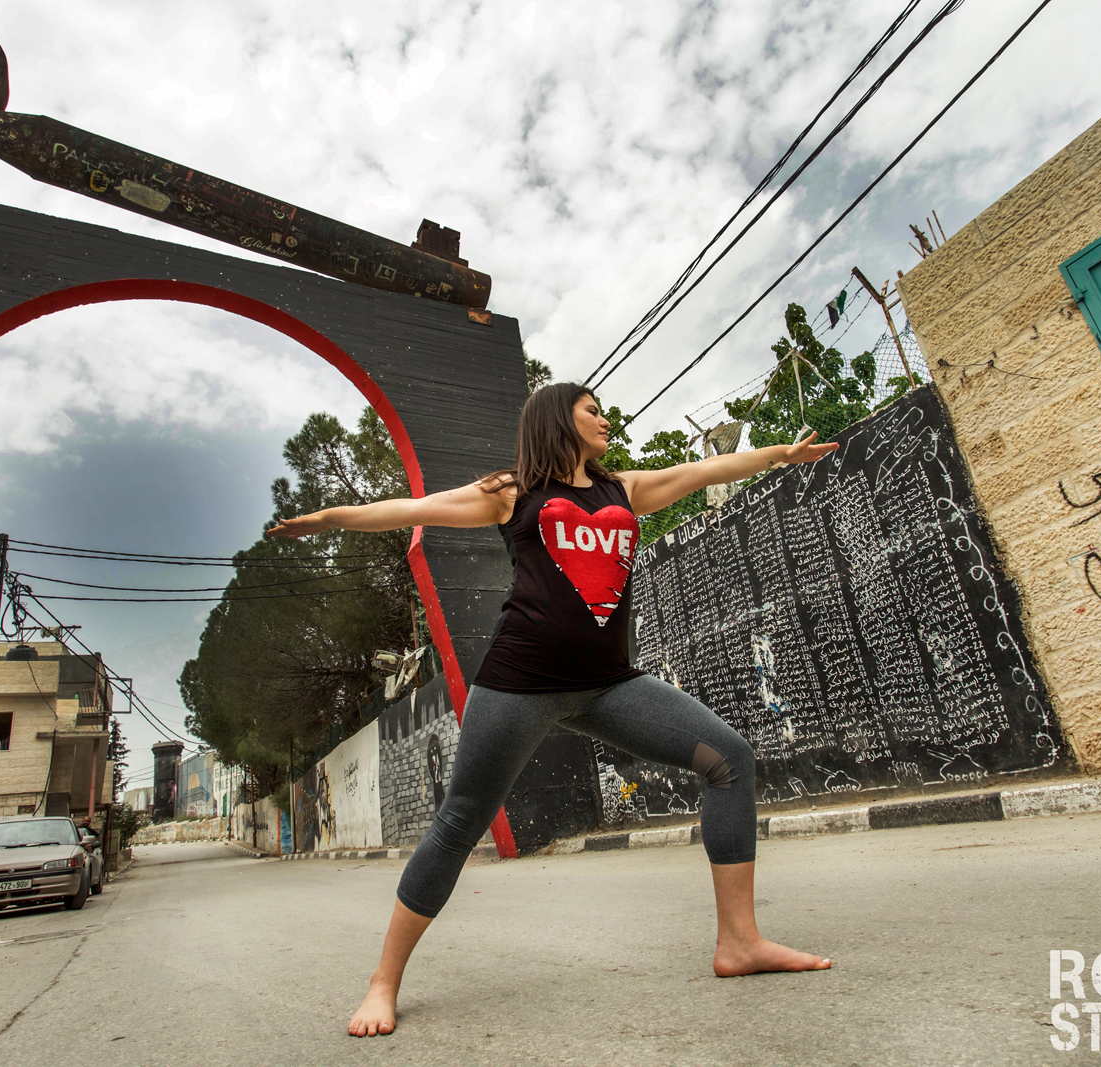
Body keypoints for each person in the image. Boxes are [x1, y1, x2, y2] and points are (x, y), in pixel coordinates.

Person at [267, 383, 840, 1038]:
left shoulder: (621, 490)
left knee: (728, 758)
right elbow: (417, 507)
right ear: (555, 419)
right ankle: (382, 982)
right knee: (459, 821)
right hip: (520, 684)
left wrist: (774, 454)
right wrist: (334, 517)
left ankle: (739, 942)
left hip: (607, 685)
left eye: (602, 410)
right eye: (590, 409)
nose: (603, 418)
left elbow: (702, 469)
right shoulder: (514, 491)